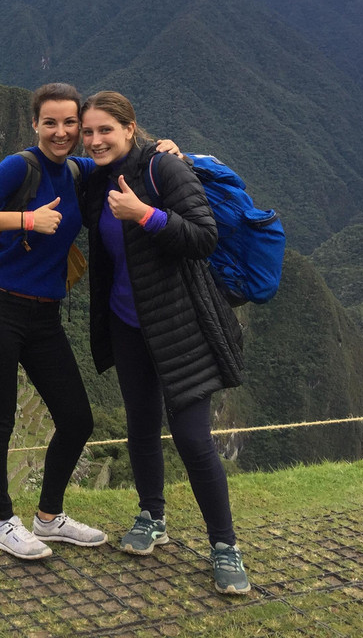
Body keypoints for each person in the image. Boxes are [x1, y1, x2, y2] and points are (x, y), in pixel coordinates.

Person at [78, 90, 250, 595]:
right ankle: (152, 516)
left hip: (180, 327)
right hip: (127, 325)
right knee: (141, 426)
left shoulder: (164, 170)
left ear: (131, 128)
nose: (95, 139)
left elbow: (203, 236)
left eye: (105, 129)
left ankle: (225, 545)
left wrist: (144, 215)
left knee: (194, 438)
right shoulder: (95, 181)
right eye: (89, 132)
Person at [0, 82, 107, 561]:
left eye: (70, 123)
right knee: (0, 420)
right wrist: (25, 220)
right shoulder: (22, 166)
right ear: (35, 124)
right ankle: (3, 523)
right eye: (50, 122)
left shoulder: (78, 170)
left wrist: (174, 153)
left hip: (44, 317)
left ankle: (49, 518)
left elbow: (124, 158)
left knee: (77, 419)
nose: (61, 132)